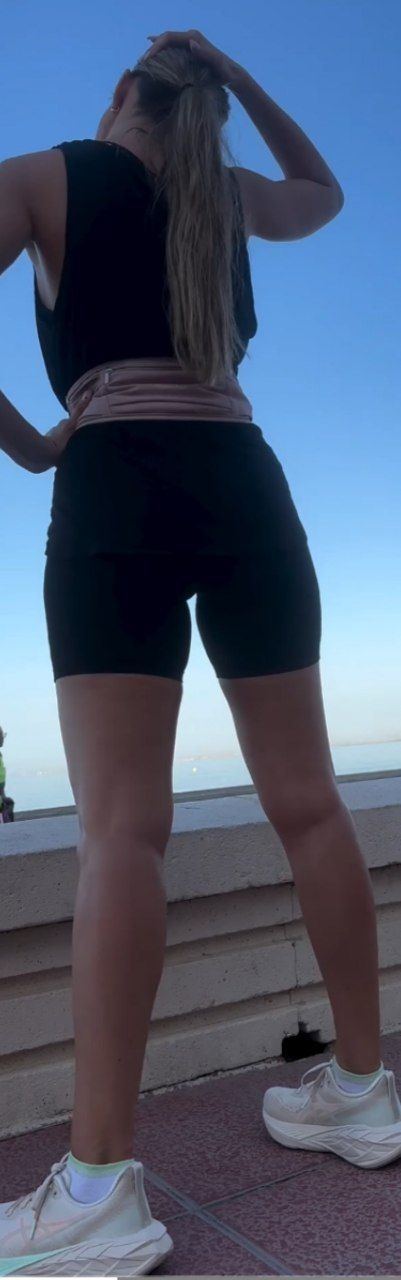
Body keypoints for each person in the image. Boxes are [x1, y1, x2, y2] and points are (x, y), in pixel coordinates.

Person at [0, 25, 400, 1276]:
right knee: (310, 799)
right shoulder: (222, 193)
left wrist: (33, 443)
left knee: (122, 828)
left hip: (116, 479)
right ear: (204, 105)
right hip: (243, 481)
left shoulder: (41, 176)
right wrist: (246, 80)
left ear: (122, 90)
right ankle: (360, 1088)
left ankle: (100, 1187)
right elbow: (323, 193)